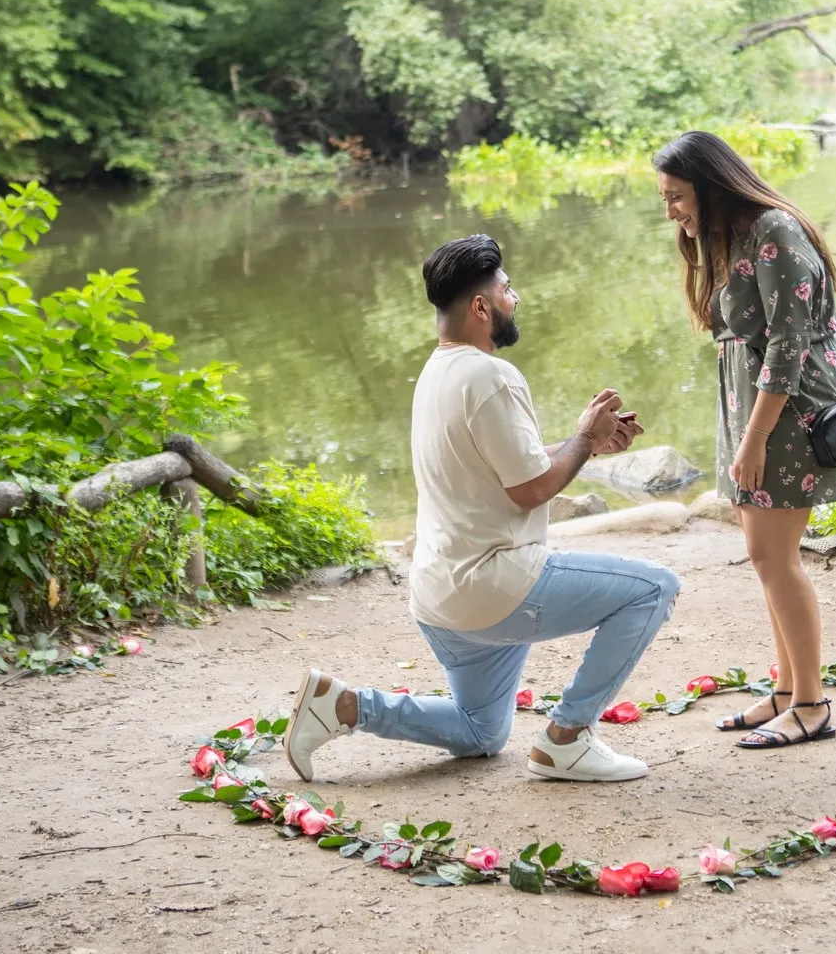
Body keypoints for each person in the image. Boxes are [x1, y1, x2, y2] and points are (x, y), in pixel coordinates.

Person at [284, 234, 680, 783]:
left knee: (480, 731)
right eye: (508, 289)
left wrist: (582, 443)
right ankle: (568, 737)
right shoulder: (492, 375)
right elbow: (531, 491)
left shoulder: (436, 373)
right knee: (654, 587)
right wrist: (583, 441)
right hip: (495, 590)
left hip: (439, 598)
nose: (515, 299)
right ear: (480, 306)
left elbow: (506, 465)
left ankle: (345, 705)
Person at [653, 131, 836, 750]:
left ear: (712, 187)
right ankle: (786, 690)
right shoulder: (729, 238)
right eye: (664, 200)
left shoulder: (775, 231)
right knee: (767, 560)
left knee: (777, 559)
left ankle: (812, 704)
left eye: (678, 197)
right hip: (755, 415)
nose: (671, 212)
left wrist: (755, 441)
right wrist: (745, 435)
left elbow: (789, 346)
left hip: (786, 417)